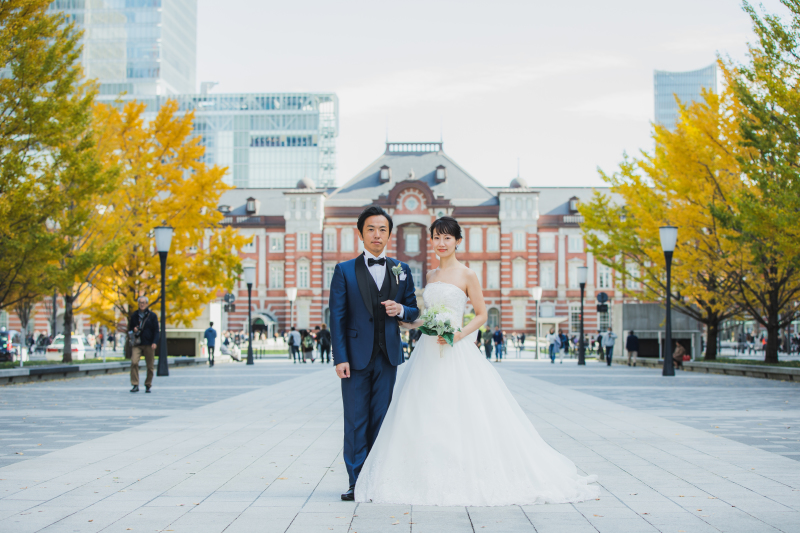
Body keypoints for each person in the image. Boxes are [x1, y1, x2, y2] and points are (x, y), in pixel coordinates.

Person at [355, 216, 598, 506]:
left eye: (447, 238)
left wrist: (459, 335)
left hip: (456, 348)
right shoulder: (430, 276)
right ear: (431, 241)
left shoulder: (468, 274)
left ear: (458, 241)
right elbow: (426, 317)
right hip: (429, 350)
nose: (441, 243)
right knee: (422, 409)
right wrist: (406, 320)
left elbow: (481, 315)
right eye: (436, 237)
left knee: (463, 410)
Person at [328, 206, 420, 501]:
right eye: (371, 229)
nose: (376, 234)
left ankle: (377, 479)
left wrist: (401, 309)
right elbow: (337, 318)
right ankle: (356, 482)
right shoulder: (343, 271)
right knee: (355, 420)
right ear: (361, 233)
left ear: (389, 234)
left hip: (388, 356)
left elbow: (414, 308)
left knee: (382, 418)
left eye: (382, 229)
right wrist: (339, 357)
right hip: (353, 358)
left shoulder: (401, 269)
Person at [127, 296, 159, 393]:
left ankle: (148, 384)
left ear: (147, 304)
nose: (142, 304)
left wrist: (154, 342)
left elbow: (156, 331)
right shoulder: (134, 316)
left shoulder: (152, 316)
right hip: (137, 343)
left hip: (149, 343)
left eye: (144, 302)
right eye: (140, 302)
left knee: (150, 366)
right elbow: (130, 329)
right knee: (134, 362)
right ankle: (135, 384)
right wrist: (134, 330)